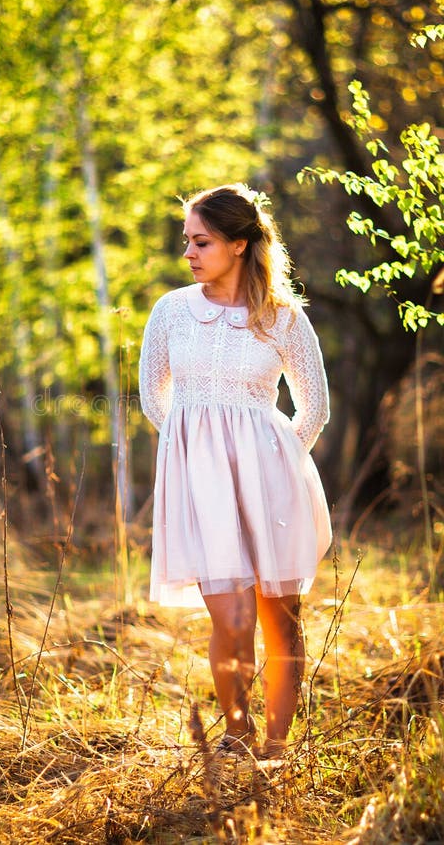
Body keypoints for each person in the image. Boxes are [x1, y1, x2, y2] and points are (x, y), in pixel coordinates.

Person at [139, 183, 332, 760]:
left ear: (240, 244)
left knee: (280, 619)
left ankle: (275, 749)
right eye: (187, 242)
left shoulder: (282, 318)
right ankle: (237, 735)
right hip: (201, 486)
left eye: (203, 241)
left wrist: (279, 461)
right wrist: (195, 456)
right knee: (233, 615)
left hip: (272, 484)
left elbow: (313, 405)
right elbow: (154, 395)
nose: (190, 253)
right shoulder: (172, 311)